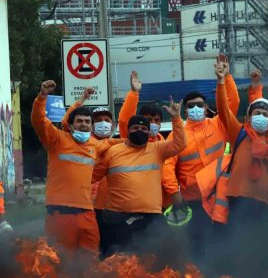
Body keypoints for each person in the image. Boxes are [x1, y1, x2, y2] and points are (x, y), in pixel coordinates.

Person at [212, 61, 268, 278]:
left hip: (266, 203)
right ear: (248, 116)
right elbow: (224, 109)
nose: (261, 117)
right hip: (239, 199)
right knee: (239, 242)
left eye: (266, 114)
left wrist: (257, 90)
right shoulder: (240, 133)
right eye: (257, 113)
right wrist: (221, 81)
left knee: (263, 245)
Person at [162, 56, 240, 261]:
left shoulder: (219, 124)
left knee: (224, 244)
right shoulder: (177, 135)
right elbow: (167, 165)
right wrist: (173, 192)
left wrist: (225, 78)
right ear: (186, 110)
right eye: (191, 106)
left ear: (206, 108)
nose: (195, 108)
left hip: (221, 197)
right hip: (194, 202)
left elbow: (231, 103)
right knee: (197, 248)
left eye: (199, 105)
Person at [92, 99, 186, 256]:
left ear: (149, 132)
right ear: (128, 131)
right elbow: (92, 177)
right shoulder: (112, 151)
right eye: (135, 128)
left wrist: (176, 118)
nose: (140, 131)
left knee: (155, 261)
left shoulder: (158, 149)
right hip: (117, 219)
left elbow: (180, 144)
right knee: (116, 261)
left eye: (144, 128)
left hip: (151, 218)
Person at [31, 80, 116, 253]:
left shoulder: (95, 146)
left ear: (91, 127)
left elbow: (113, 142)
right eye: (79, 121)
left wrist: (130, 141)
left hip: (87, 213)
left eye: (87, 121)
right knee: (62, 262)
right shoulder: (57, 140)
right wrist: (42, 97)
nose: (84, 124)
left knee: (90, 258)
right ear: (70, 125)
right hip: (60, 213)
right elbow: (39, 120)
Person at [61, 87, 120, 257]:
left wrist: (134, 93)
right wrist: (81, 99)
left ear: (113, 124)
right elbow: (67, 123)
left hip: (114, 209)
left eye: (106, 120)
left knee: (112, 252)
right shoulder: (83, 143)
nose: (103, 123)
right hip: (87, 208)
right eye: (98, 120)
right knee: (87, 252)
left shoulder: (117, 146)